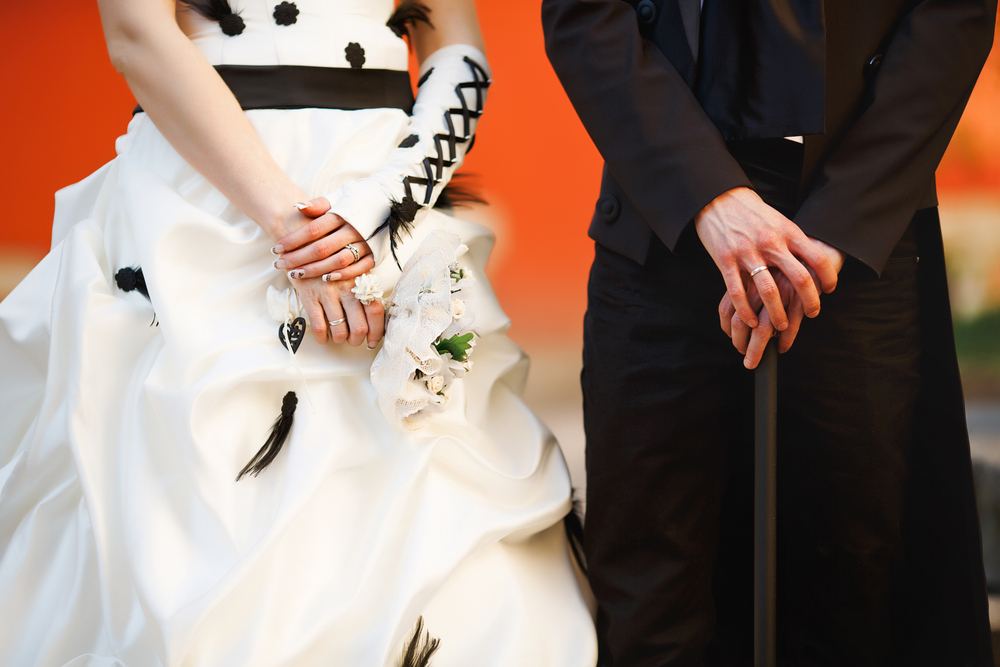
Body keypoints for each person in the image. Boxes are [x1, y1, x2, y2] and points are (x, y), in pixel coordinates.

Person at [0, 1, 597, 665]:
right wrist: (297, 231)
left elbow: (457, 51)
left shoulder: (382, 205)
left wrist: (381, 209)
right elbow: (136, 32)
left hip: (384, 187)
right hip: (199, 203)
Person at [542, 0, 996, 665]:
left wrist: (840, 224)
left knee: (851, 587)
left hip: (856, 234)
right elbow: (585, 17)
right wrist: (708, 195)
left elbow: (953, 15)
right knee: (650, 594)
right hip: (661, 224)